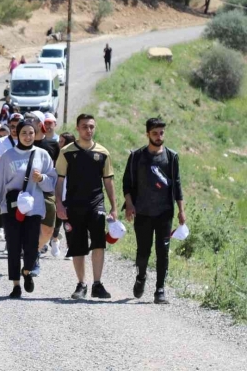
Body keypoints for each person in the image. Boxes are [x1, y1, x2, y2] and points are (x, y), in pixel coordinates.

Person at [0, 119, 57, 298]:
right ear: (17, 134)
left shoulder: (42, 154)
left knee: (31, 245)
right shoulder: (8, 156)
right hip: (11, 208)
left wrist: (41, 180)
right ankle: (16, 284)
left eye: (31, 133)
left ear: (35, 133)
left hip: (34, 208)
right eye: (24, 133)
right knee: (14, 246)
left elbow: (52, 183)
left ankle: (27, 271)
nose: (28, 136)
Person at [55, 114, 118, 299]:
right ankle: (81, 284)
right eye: (84, 127)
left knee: (99, 242)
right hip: (74, 204)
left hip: (96, 203)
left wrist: (114, 207)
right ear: (77, 128)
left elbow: (109, 181)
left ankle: (97, 284)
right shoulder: (66, 151)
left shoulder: (103, 153)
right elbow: (59, 181)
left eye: (91, 126)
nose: (88, 130)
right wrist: (59, 203)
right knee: (78, 245)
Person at [123, 118, 185, 304]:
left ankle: (160, 290)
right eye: (155, 133)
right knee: (143, 251)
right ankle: (141, 276)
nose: (159, 137)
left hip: (164, 212)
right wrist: (129, 205)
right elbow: (127, 182)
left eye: (161, 133)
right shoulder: (137, 156)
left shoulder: (171, 157)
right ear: (148, 134)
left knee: (163, 251)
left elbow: (178, 184)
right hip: (142, 212)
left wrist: (181, 210)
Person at [24, 111, 60, 277]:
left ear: (40, 124)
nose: (28, 122)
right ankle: (33, 258)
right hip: (26, 193)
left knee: (47, 231)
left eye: (32, 120)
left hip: (46, 191)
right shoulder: (22, 145)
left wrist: (61, 197)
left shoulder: (52, 146)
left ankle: (33, 250)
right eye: (27, 120)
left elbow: (59, 174)